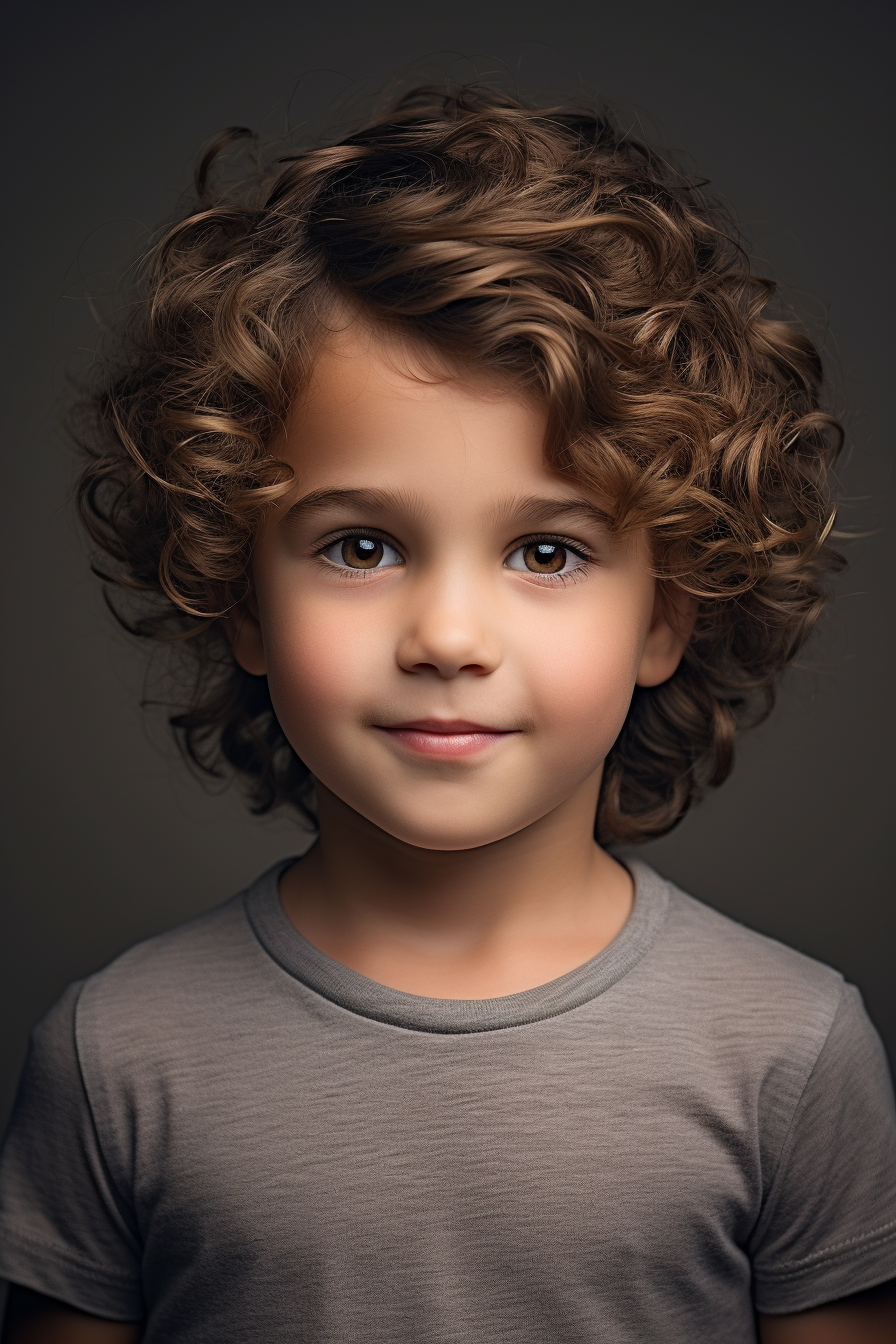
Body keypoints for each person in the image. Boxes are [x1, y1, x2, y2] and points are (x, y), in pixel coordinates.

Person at [1, 84, 894, 1343]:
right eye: (361, 545)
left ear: (664, 616)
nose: (448, 639)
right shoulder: (114, 1060)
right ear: (237, 592)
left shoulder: (792, 1056)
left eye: (545, 553)